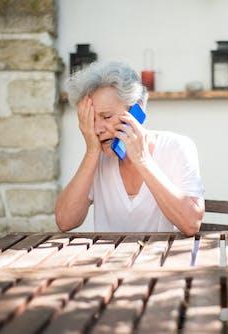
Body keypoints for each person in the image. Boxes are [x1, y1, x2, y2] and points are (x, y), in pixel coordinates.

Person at [55, 62, 205, 236]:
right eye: (92, 120)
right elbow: (64, 221)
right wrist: (91, 153)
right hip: (106, 261)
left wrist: (143, 160)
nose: (97, 130)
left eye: (107, 116)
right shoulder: (97, 158)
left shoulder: (177, 147)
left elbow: (191, 224)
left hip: (160, 261)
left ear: (137, 110)